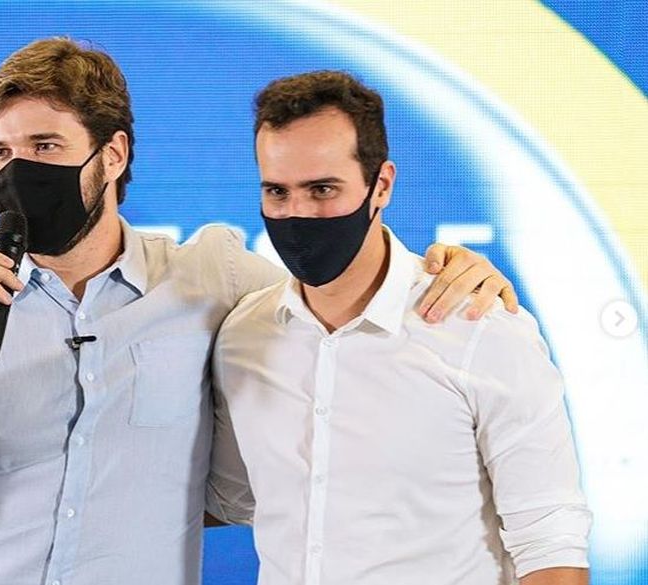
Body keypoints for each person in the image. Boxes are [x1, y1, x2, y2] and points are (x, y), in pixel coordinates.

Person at [0, 39, 517, 585]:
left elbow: (341, 291)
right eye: (1, 151)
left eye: (46, 147)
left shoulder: (211, 280)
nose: (18, 172)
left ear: (113, 154)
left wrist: (444, 270)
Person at [208, 71, 591, 585]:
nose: (297, 213)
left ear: (381, 185)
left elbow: (550, 540)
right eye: (277, 191)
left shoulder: (482, 330)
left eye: (323, 189)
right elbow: (232, 497)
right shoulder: (243, 337)